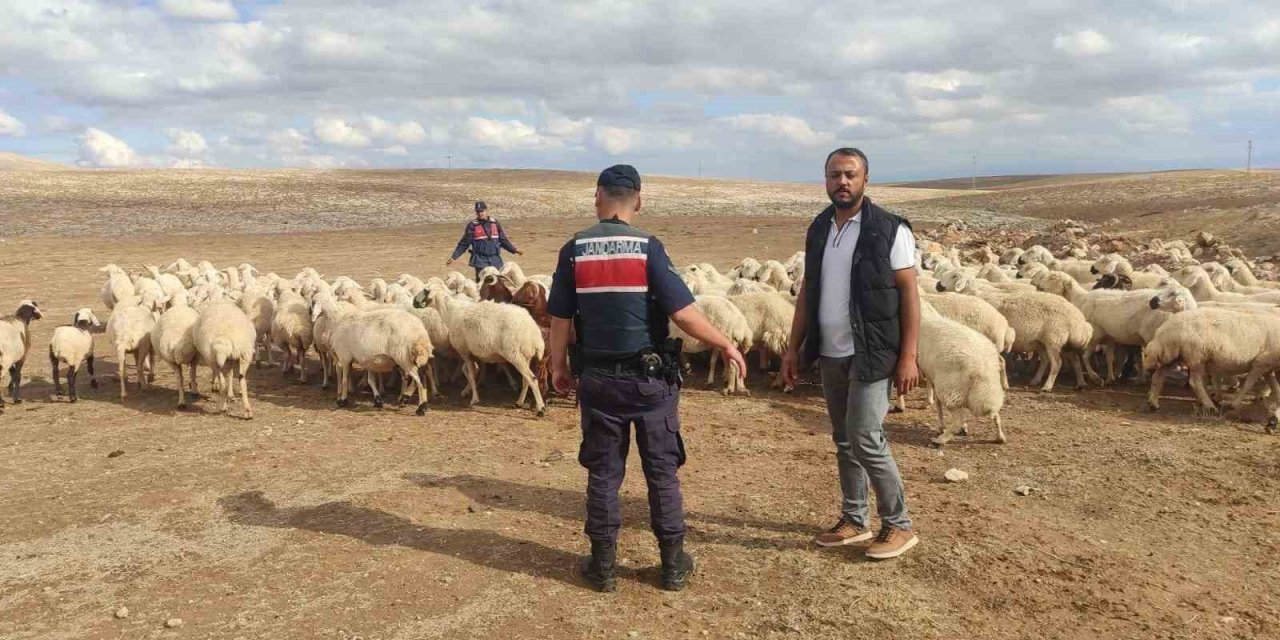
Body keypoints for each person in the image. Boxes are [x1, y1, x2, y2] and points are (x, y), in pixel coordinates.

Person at [547, 164, 748, 593]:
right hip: (649, 383)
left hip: (598, 380)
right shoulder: (648, 248)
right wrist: (725, 343)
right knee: (661, 472)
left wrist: (558, 366)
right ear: (638, 201)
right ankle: (673, 565)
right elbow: (683, 314)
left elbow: (560, 317)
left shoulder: (574, 249)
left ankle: (602, 568)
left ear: (597, 197)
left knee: (603, 474)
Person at [780, 147, 921, 560]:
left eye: (850, 175)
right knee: (844, 439)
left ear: (865, 179)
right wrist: (793, 348)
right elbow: (809, 289)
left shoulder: (889, 228)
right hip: (831, 350)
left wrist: (909, 355)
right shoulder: (820, 227)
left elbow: (909, 292)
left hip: (872, 350)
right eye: (834, 175)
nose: (842, 182)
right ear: (825, 180)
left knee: (865, 436)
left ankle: (899, 524)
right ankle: (855, 518)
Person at [446, 200, 522, 279]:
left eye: (482, 211)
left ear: (486, 210)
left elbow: (503, 240)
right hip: (480, 261)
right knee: (482, 285)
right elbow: (464, 243)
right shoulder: (472, 226)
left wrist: (514, 250)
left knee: (499, 282)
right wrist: (454, 257)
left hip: (495, 259)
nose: (480, 213)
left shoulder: (495, 223)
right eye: (478, 212)